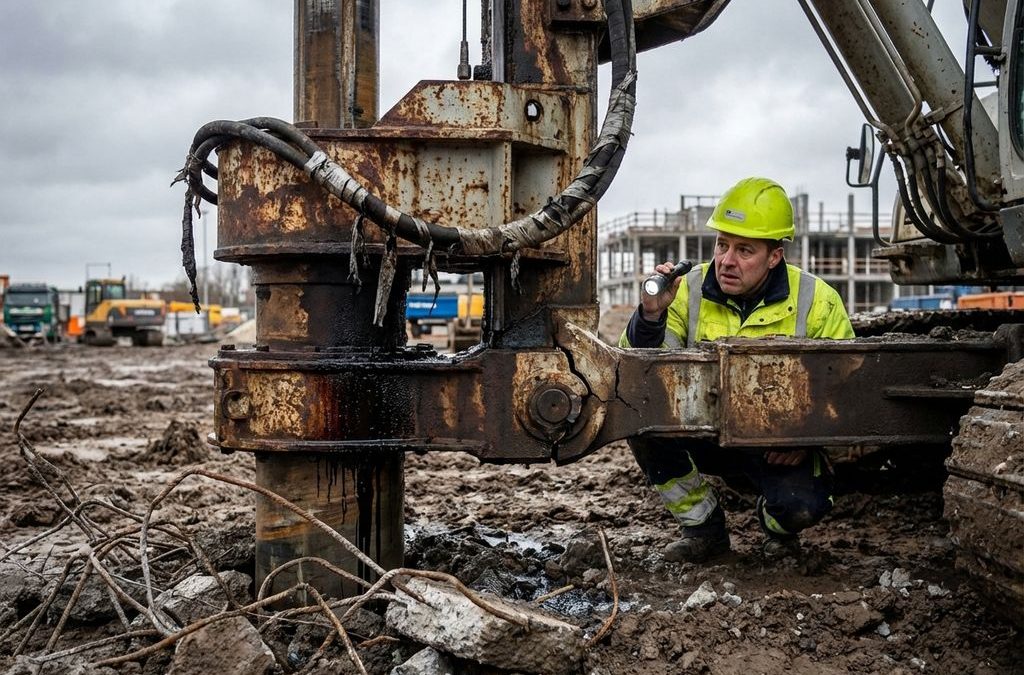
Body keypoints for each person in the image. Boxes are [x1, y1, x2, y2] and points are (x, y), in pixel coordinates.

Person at [618, 177, 855, 562]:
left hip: (776, 446)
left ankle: (775, 527)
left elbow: (844, 387)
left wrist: (805, 438)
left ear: (775, 256)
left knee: (801, 507)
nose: (727, 260)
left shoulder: (818, 301)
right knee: (640, 421)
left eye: (744, 250)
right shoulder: (685, 289)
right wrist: (650, 315)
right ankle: (703, 528)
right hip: (701, 434)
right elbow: (640, 371)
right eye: (722, 244)